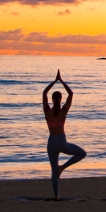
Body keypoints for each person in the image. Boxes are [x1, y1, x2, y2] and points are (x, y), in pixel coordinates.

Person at [43, 70, 87, 200]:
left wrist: (54, 81)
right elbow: (71, 93)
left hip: (51, 142)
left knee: (53, 172)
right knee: (82, 153)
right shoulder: (63, 112)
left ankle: (56, 196)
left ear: (52, 100)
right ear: (60, 99)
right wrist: (61, 81)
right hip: (62, 141)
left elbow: (44, 92)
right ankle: (62, 167)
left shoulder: (47, 111)